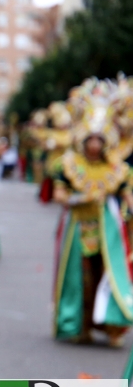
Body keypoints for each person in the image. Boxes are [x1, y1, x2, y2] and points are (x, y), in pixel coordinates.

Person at [52, 80, 133, 346]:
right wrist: (77, 199)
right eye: (91, 139)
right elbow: (59, 194)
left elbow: (126, 195)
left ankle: (112, 329)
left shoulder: (118, 169)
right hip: (79, 229)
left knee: (110, 278)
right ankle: (80, 326)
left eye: (100, 139)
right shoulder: (69, 165)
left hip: (108, 231)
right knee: (81, 279)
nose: (95, 145)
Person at [39, 102, 72, 203]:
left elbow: (68, 143)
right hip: (53, 159)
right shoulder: (52, 133)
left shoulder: (70, 133)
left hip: (66, 159)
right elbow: (45, 145)